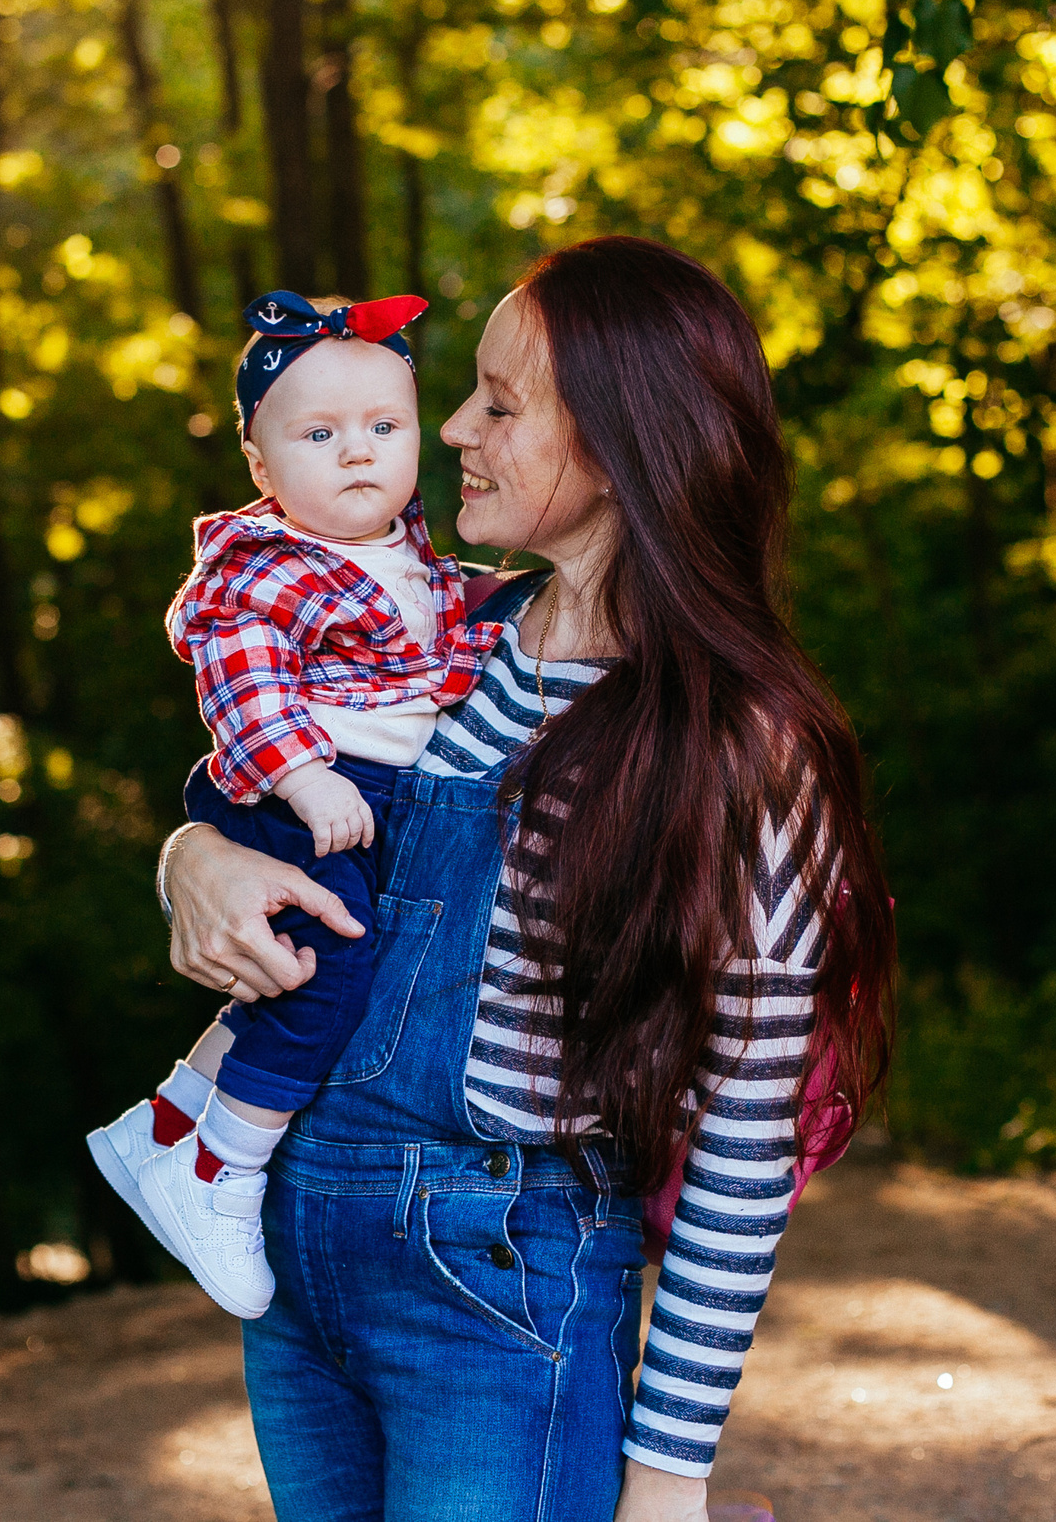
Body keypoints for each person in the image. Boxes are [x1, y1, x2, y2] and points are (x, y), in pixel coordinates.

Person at [156, 237, 897, 1522]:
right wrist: (193, 858)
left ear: (620, 444)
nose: (447, 428)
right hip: (299, 1261)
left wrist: (669, 1483)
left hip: (496, 1285)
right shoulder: (446, 639)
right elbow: (275, 800)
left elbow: (741, 1138)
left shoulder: (736, 746)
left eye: (499, 403)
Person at [88, 290, 501, 1319]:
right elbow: (240, 680)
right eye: (318, 435)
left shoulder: (410, 557)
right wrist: (301, 774)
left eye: (382, 428)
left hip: (355, 789)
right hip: (299, 787)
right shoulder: (264, 564)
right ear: (263, 468)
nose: (357, 453)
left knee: (293, 965)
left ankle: (174, 1113)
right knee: (331, 956)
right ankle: (218, 1168)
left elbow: (442, 660)